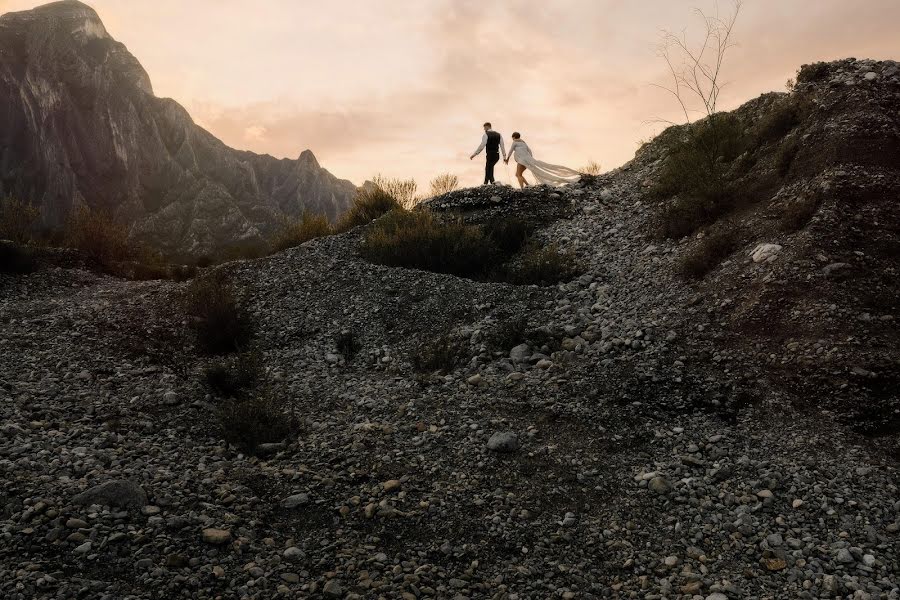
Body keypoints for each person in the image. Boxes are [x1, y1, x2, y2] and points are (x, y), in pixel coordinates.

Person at [504, 132, 581, 189]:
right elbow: (530, 151)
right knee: (518, 174)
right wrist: (530, 159)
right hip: (528, 160)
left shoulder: (515, 142)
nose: (512, 139)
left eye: (512, 137)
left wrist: (507, 159)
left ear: (514, 137)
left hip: (522, 161)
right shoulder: (524, 143)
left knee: (518, 175)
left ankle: (522, 189)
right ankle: (527, 185)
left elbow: (510, 151)